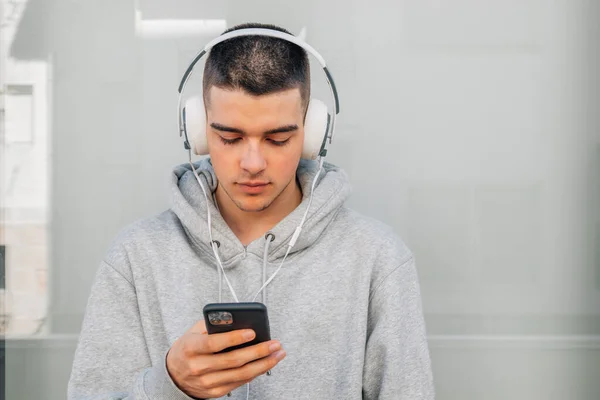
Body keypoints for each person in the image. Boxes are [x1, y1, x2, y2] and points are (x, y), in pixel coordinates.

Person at [67, 22, 435, 400]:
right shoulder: (136, 256)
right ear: (196, 131)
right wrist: (171, 385)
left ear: (313, 135)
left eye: (278, 139)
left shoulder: (376, 258)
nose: (253, 162)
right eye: (230, 138)